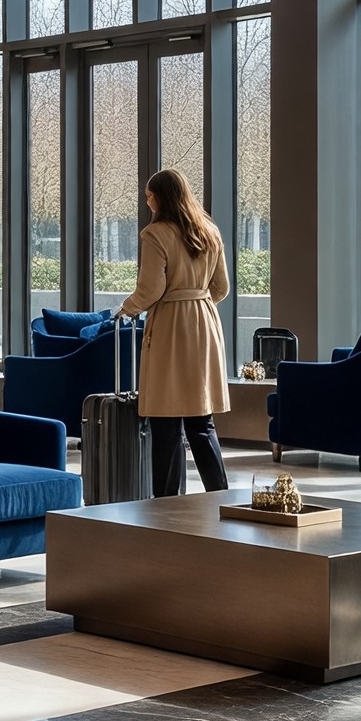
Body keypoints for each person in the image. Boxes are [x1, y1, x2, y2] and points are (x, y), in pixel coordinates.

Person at [118, 166, 232, 496]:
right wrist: (198, 302)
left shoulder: (155, 235)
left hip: (171, 326)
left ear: (160, 197)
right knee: (201, 422)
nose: (147, 201)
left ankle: (167, 505)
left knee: (165, 421)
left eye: (149, 195)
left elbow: (151, 288)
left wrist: (127, 309)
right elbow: (221, 287)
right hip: (205, 324)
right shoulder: (210, 231)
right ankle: (220, 496)